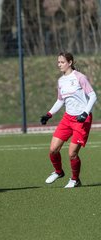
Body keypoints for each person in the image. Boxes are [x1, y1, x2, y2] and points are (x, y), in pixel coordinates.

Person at [40, 52, 97, 188]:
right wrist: (49, 114)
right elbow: (60, 100)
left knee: (72, 153)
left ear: (70, 62)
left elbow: (93, 95)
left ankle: (75, 179)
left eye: (62, 62)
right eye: (58, 62)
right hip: (67, 118)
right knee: (53, 149)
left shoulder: (80, 77)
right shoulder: (61, 81)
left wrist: (85, 113)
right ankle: (59, 172)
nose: (59, 65)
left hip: (82, 119)